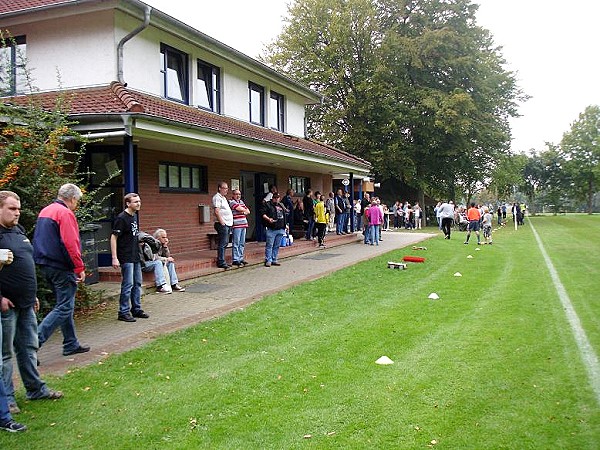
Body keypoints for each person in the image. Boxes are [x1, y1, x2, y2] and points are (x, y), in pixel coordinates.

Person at [0, 191, 63, 415]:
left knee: (28, 348)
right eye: (12, 209)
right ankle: (6, 399)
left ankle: (35, 389)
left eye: (18, 209)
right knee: (5, 354)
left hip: (26, 302)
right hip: (7, 306)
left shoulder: (19, 231)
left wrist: (32, 293)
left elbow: (25, 264)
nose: (17, 213)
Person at [33, 184, 90, 357]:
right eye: (77, 201)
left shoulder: (46, 211)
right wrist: (79, 267)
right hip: (60, 265)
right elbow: (70, 243)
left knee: (65, 304)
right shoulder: (65, 213)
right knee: (64, 307)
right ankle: (33, 343)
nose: (76, 204)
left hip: (45, 263)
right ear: (72, 199)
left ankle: (70, 343)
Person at [111, 193, 149, 322]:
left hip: (135, 255)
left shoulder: (134, 216)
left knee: (137, 283)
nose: (138, 203)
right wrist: (114, 257)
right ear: (128, 204)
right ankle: (123, 312)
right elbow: (113, 237)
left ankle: (136, 309)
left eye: (139, 201)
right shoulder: (122, 218)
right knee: (128, 284)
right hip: (126, 256)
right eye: (135, 202)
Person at [260, 192, 287, 267]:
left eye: (278, 198)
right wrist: (268, 219)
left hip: (281, 228)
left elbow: (284, 215)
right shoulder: (267, 204)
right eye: (275, 198)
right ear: (272, 198)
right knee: (269, 245)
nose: (276, 199)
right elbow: (262, 213)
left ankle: (274, 259)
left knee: (277, 245)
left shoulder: (281, 205)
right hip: (271, 228)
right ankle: (268, 260)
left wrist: (285, 225)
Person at [212, 181, 233, 269]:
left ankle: (222, 260)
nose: (226, 190)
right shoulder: (217, 197)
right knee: (223, 243)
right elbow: (216, 211)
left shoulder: (223, 198)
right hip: (222, 224)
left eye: (227, 188)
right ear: (220, 188)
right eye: (224, 188)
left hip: (227, 224)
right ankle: (221, 261)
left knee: (225, 243)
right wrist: (222, 223)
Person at [229, 189, 250, 267]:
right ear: (233, 195)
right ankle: (235, 259)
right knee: (236, 242)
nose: (238, 196)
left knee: (242, 243)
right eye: (236, 194)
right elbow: (239, 209)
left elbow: (248, 211)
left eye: (239, 194)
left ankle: (240, 258)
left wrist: (243, 211)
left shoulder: (241, 202)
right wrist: (243, 211)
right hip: (237, 225)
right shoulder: (231, 202)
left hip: (244, 224)